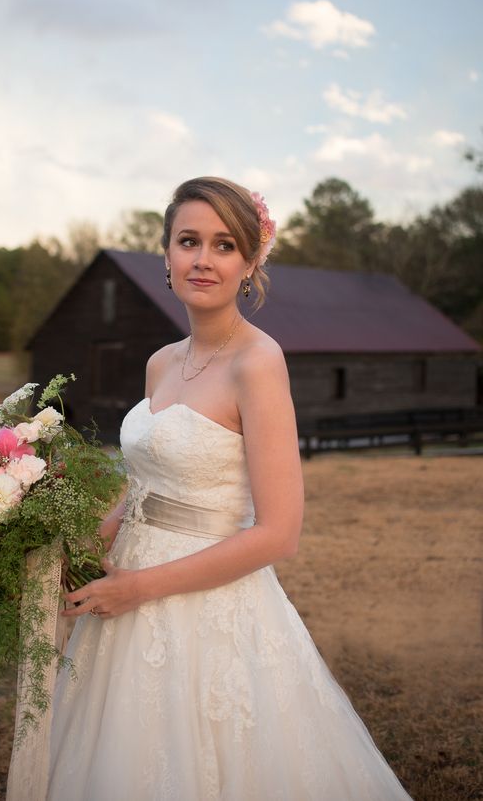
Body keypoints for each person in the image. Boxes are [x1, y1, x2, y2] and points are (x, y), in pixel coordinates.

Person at [47, 177, 413, 800]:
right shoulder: (161, 361)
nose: (203, 259)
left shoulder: (259, 362)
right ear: (165, 254)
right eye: (189, 241)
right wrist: (83, 544)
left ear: (249, 262)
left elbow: (279, 533)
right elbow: (145, 482)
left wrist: (138, 588)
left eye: (224, 245)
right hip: (121, 586)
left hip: (203, 600)